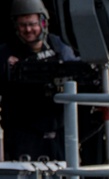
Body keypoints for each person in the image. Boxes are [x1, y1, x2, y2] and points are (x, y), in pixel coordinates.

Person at [0, 0, 78, 161]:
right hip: (24, 134)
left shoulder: (59, 46)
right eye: (23, 25)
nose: (28, 30)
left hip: (59, 130)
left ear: (43, 23)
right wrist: (6, 69)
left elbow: (75, 73)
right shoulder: (6, 52)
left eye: (32, 24)